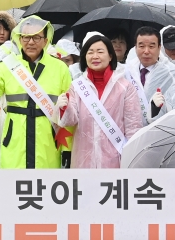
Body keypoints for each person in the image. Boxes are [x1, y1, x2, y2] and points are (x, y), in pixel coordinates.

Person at [0, 16, 71, 170]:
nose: (31, 42)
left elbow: (68, 112)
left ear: (46, 41)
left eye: (36, 37)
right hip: (15, 143)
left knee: (44, 188)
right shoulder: (8, 65)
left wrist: (68, 149)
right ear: (19, 39)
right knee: (14, 189)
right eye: (26, 37)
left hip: (47, 145)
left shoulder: (60, 69)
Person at [57, 32, 144, 169]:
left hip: (116, 162)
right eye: (90, 52)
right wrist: (64, 108)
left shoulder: (125, 88)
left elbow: (133, 127)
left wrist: (132, 162)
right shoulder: (77, 86)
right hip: (83, 161)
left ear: (110, 56)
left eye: (100, 52)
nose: (95, 56)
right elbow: (69, 121)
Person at [125, 27, 175, 121]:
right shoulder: (126, 71)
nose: (146, 51)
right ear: (135, 47)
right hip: (131, 128)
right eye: (141, 46)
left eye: (151, 46)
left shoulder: (173, 73)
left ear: (159, 47)